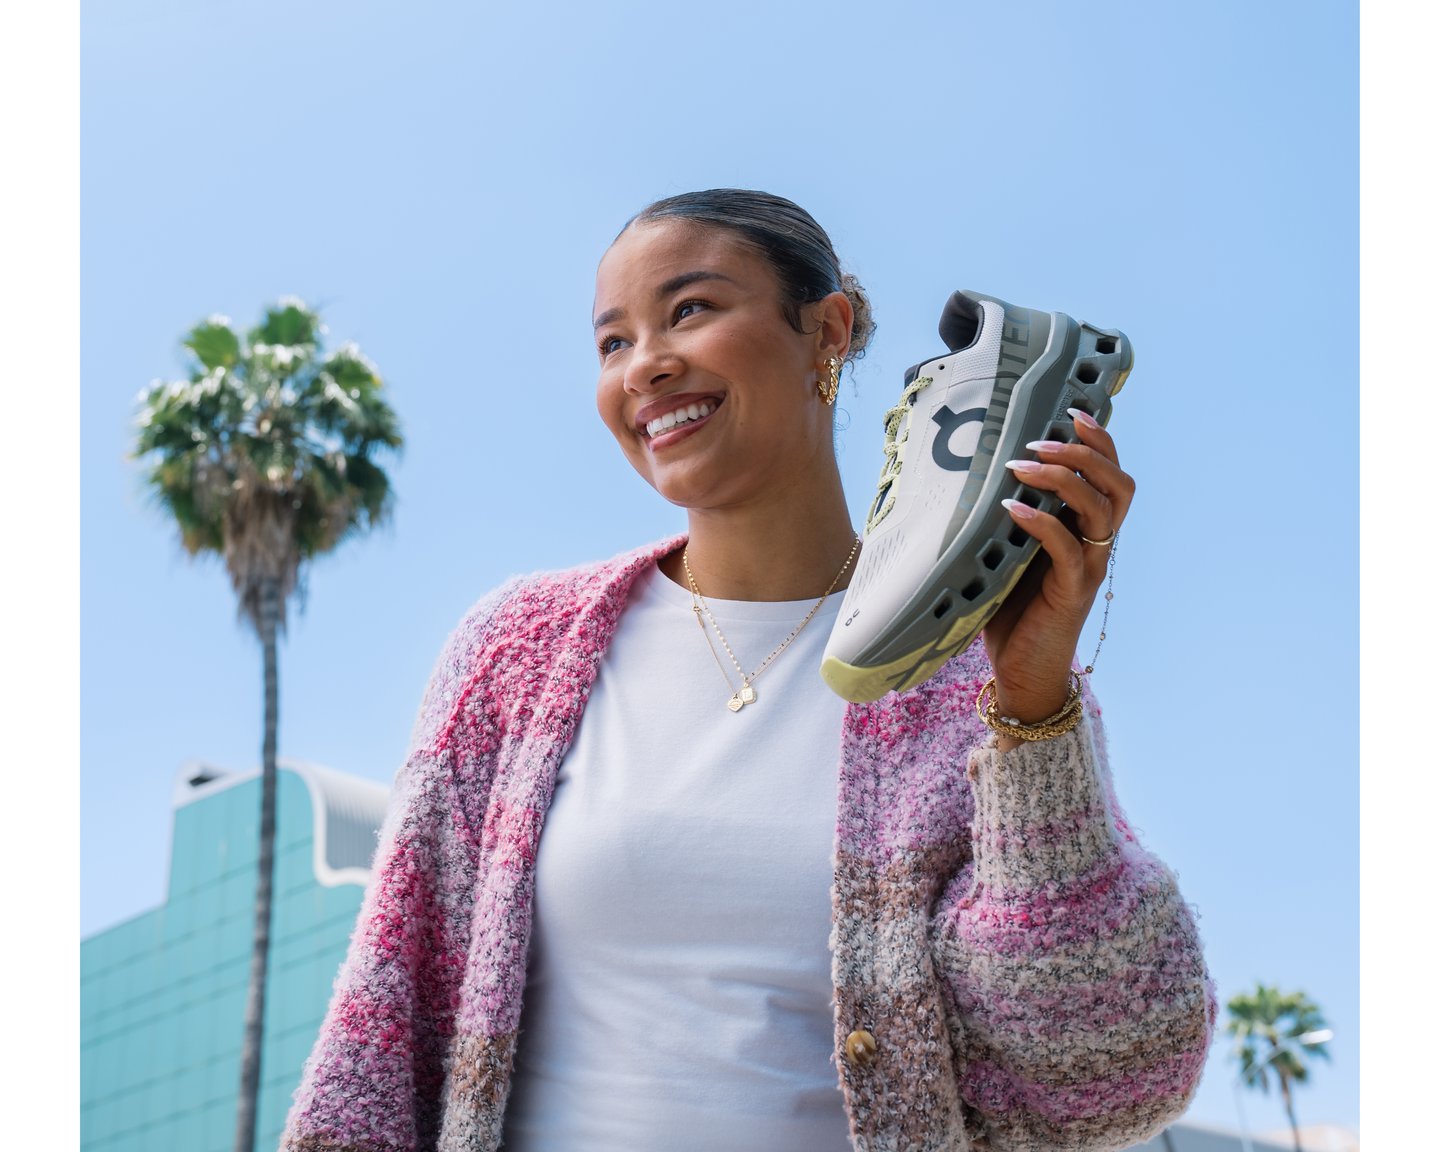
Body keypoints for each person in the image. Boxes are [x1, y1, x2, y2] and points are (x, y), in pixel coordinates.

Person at [280, 189, 1214, 1152]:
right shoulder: (516, 651)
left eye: (690, 310)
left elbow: (1106, 1081)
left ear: (828, 332)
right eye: (612, 342)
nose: (645, 364)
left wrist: (1029, 711)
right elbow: (382, 1032)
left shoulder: (969, 681)